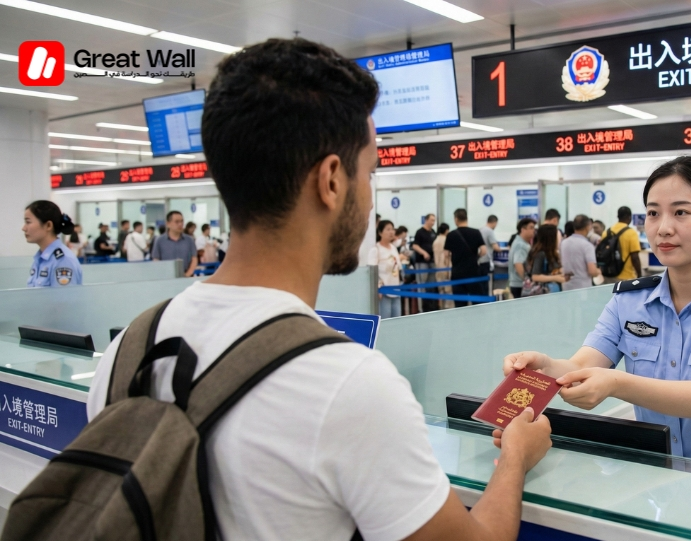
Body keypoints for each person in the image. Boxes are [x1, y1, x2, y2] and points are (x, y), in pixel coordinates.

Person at [87, 38, 551, 541]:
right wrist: (516, 457)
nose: (371, 194)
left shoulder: (127, 349)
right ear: (331, 180)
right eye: (370, 171)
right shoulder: (347, 383)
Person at [504, 155, 691, 472]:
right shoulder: (629, 301)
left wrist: (616, 384)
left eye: (681, 212)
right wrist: (546, 367)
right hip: (656, 480)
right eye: (652, 213)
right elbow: (582, 365)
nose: (663, 228)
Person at [23, 200, 83, 287]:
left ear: (48, 225)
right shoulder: (40, 259)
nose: (24, 228)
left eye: (28, 222)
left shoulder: (63, 260)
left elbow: (65, 300)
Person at [444, 208, 488, 307]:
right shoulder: (476, 232)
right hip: (473, 272)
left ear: (456, 219)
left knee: (460, 304)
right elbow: (484, 251)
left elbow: (446, 254)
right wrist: (475, 256)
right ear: (466, 218)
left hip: (457, 273)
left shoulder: (451, 235)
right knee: (477, 303)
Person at [369, 220, 404, 319]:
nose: (391, 232)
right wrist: (378, 287)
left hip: (396, 290)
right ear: (380, 232)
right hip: (383, 293)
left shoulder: (393, 248)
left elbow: (398, 267)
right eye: (388, 229)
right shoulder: (376, 249)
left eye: (392, 229)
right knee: (385, 321)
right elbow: (371, 273)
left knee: (396, 320)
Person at [152, 210, 199, 277]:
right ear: (168, 224)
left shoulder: (189, 240)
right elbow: (156, 260)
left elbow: (194, 258)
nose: (180, 224)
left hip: (186, 275)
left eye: (182, 221)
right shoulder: (159, 240)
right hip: (166, 277)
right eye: (177, 222)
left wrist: (188, 274)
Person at [560, 214, 601, 291]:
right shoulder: (587, 246)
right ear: (588, 226)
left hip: (566, 287)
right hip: (582, 289)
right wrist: (598, 271)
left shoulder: (563, 243)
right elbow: (592, 271)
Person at [604, 206, 642, 283]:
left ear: (618, 216)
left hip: (608, 274)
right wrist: (639, 275)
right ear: (629, 217)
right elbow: (635, 257)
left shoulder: (606, 232)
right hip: (626, 277)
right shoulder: (631, 233)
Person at [525, 224, 567, 292]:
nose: (560, 239)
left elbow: (548, 271)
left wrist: (559, 271)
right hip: (543, 293)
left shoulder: (552, 253)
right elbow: (535, 276)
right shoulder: (540, 254)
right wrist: (555, 278)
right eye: (558, 237)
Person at [412, 214, 439, 312]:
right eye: (431, 220)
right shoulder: (420, 232)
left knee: (431, 285)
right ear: (426, 220)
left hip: (432, 262)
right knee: (422, 286)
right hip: (422, 262)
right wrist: (424, 253)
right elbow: (415, 246)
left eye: (434, 220)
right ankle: (421, 309)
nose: (433, 222)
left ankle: (430, 306)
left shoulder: (433, 232)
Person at [508, 218, 536, 299]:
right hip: (520, 285)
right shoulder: (521, 245)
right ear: (523, 229)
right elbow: (518, 264)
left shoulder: (520, 242)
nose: (533, 230)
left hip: (518, 284)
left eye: (534, 228)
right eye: (531, 228)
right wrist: (527, 281)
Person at [432, 223, 453, 309]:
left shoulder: (435, 241)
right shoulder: (447, 240)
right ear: (447, 230)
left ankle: (441, 307)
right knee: (448, 290)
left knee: (441, 290)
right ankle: (448, 308)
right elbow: (448, 255)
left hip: (438, 267)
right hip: (446, 266)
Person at [478, 215, 504, 279]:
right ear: (494, 222)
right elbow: (495, 247)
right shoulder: (489, 231)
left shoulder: (480, 230)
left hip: (479, 259)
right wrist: (503, 249)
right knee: (485, 281)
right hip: (486, 259)